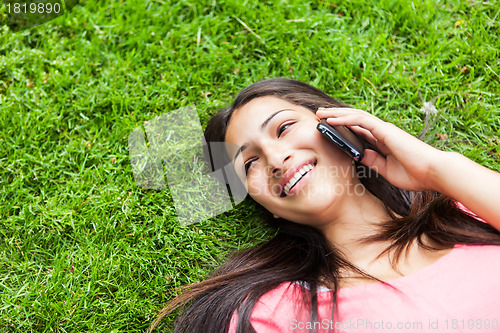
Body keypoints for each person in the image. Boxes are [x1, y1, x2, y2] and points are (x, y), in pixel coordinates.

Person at [149, 78, 500, 333]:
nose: (274, 158)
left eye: (284, 128)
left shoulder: (468, 205)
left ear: (340, 125)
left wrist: (436, 168)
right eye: (249, 165)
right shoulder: (274, 312)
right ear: (266, 205)